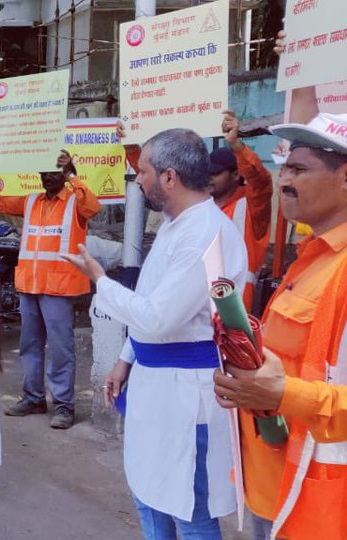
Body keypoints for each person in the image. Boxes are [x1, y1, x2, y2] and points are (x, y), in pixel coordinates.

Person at [63, 128, 246, 539]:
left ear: (168, 177)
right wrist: (126, 359)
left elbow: (160, 318)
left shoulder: (207, 233)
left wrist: (100, 279)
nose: (138, 179)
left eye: (142, 171)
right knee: (149, 494)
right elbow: (151, 299)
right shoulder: (173, 225)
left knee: (189, 506)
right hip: (153, 383)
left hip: (187, 394)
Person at [213, 112, 347, 540]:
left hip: (317, 507)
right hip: (272, 487)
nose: (285, 178)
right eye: (285, 166)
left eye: (300, 169)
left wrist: (281, 393)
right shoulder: (309, 258)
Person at [0, 150, 100, 430]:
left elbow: (94, 207)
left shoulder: (76, 202)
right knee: (29, 346)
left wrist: (72, 174)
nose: (48, 177)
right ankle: (34, 397)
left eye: (54, 172)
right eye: (44, 172)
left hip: (58, 287)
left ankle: (63, 405)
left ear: (64, 173)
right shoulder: (31, 201)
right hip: (30, 285)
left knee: (61, 348)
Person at [210, 110, 273, 311]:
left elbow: (261, 182)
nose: (208, 177)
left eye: (215, 173)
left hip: (235, 312)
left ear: (236, 174)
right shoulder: (202, 207)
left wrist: (237, 147)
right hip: (200, 304)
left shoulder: (250, 207)